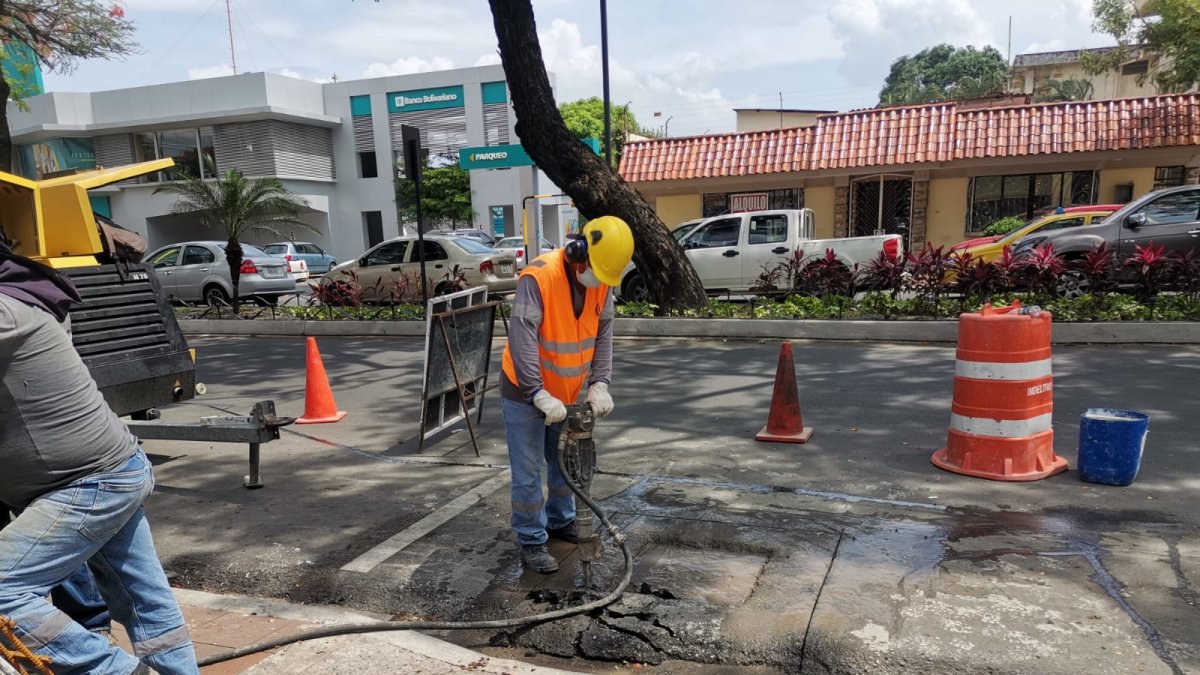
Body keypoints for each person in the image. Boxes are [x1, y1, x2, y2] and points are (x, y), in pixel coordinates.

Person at [0, 242, 199, 674]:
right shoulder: (24, 291)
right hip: (108, 471)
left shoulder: (5, 309)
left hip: (87, 484)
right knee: (145, 603)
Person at [499, 216, 635, 573]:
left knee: (565, 463)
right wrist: (536, 393)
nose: (599, 282)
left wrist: (600, 382)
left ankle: (562, 521)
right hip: (524, 391)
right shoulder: (539, 277)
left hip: (570, 391)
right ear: (579, 252)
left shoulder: (602, 282)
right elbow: (522, 337)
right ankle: (531, 540)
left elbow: (604, 332)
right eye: (596, 271)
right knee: (528, 471)